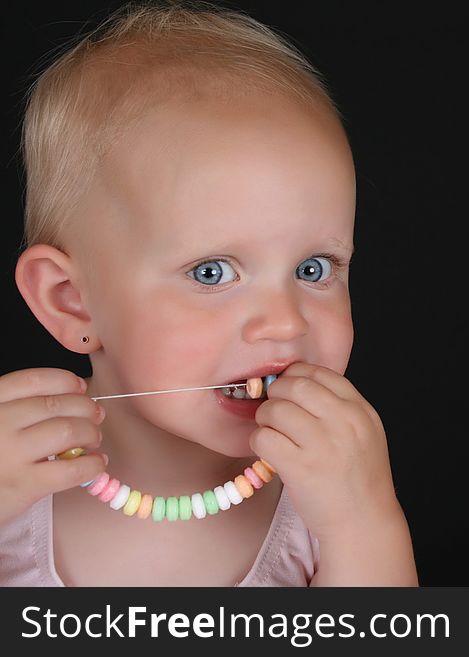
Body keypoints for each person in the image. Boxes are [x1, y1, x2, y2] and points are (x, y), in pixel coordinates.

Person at [0, 0, 418, 587]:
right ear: (71, 300)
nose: (284, 323)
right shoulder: (10, 486)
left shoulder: (327, 501)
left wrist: (366, 523)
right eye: (212, 272)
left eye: (314, 268)